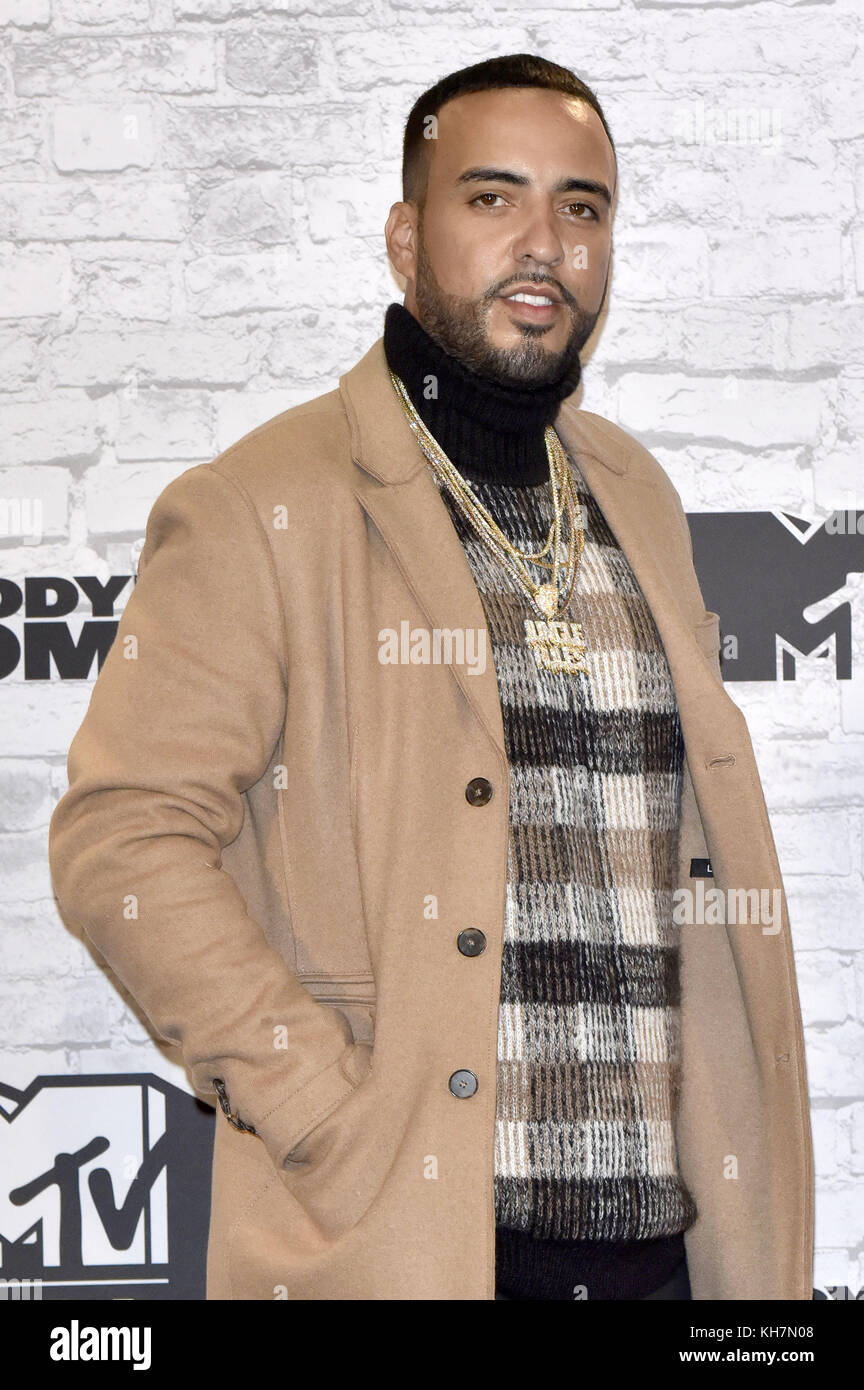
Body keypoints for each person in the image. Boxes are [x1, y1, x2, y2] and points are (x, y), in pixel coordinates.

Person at [48, 53, 814, 1302]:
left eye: (582, 207)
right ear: (407, 237)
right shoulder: (260, 502)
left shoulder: (636, 496)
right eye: (491, 197)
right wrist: (321, 1105)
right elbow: (119, 837)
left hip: (658, 1257)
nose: (543, 244)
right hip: (405, 1244)